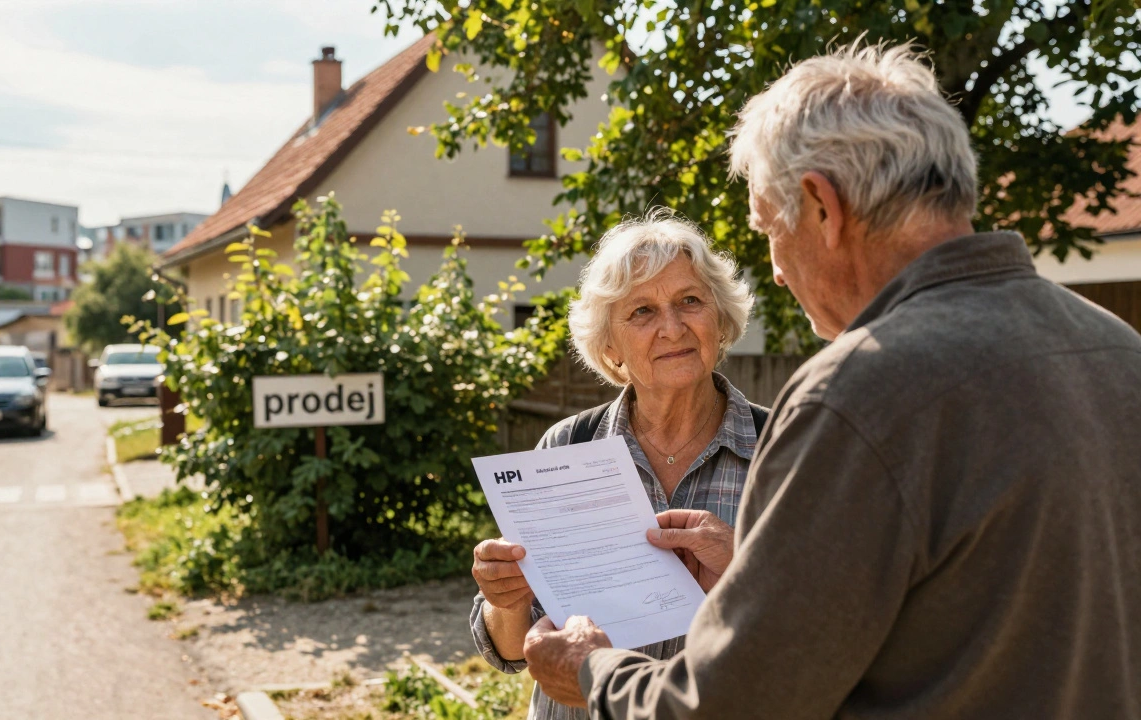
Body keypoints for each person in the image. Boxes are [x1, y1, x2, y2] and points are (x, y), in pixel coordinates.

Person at [522, 42, 1141, 719]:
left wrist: (593, 670)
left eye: (768, 227)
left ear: (822, 206)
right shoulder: (1117, 349)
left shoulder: (857, 393)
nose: (776, 270)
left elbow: (732, 706)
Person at [470, 210, 762, 720]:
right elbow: (513, 649)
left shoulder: (780, 448)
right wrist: (505, 598)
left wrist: (748, 570)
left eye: (690, 301)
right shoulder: (566, 447)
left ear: (720, 320)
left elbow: (835, 628)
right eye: (642, 311)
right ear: (610, 345)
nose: (672, 327)